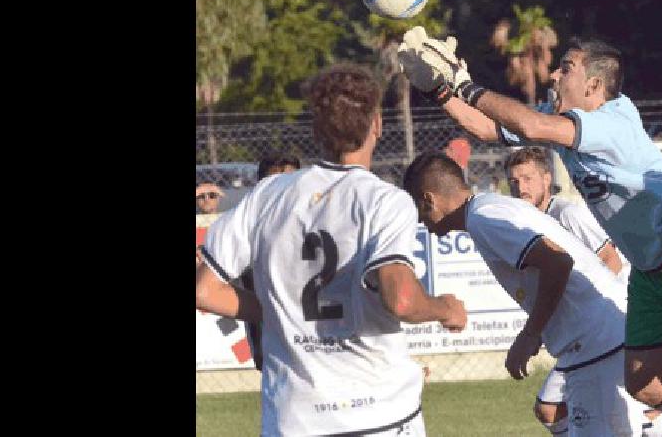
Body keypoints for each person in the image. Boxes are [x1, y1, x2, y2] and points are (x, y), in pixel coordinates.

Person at [396, 28, 662, 430]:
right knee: (645, 385)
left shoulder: (611, 120)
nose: (552, 75)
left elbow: (531, 128)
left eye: (566, 68)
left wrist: (465, 83)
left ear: (594, 85)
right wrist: (441, 92)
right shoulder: (568, 128)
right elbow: (488, 130)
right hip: (653, 273)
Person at [195, 63, 467, 436]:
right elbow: (401, 300)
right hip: (380, 417)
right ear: (377, 124)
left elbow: (204, 291)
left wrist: (278, 310)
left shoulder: (267, 196)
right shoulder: (384, 202)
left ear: (316, 130)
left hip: (295, 419)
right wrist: (444, 308)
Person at [403, 152, 650, 437]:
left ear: (428, 199)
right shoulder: (489, 209)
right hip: (603, 335)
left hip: (596, 341)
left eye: (418, 210)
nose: (421, 221)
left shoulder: (485, 218)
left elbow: (557, 262)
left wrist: (530, 334)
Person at [505, 146, 662, 437]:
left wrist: (597, 313)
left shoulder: (567, 214)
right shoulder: (527, 221)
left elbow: (611, 260)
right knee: (561, 409)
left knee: (630, 410)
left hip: (613, 323)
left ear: (546, 179)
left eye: (527, 179)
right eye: (514, 181)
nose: (520, 187)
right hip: (588, 334)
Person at [238, 151, 305, 372]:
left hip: (321, 342)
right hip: (273, 345)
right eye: (275, 183)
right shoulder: (244, 228)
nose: (284, 191)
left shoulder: (320, 222)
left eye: (291, 181)